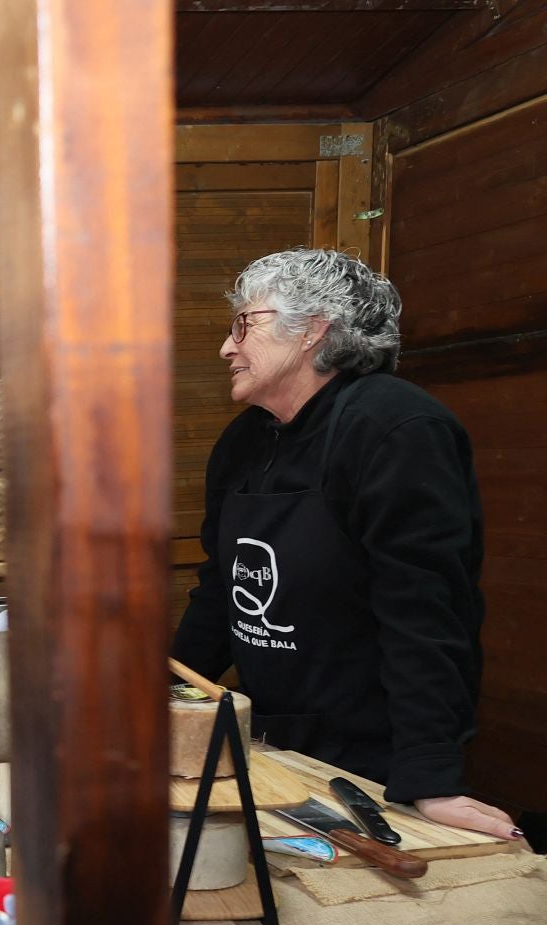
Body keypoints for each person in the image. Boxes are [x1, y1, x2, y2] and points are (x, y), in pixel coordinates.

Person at [172, 249, 519, 841]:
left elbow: (426, 610)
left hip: (370, 761)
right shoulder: (244, 442)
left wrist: (430, 775)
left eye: (244, 325)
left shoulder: (396, 429)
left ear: (312, 330)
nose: (227, 348)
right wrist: (161, 696)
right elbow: (222, 589)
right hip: (274, 745)